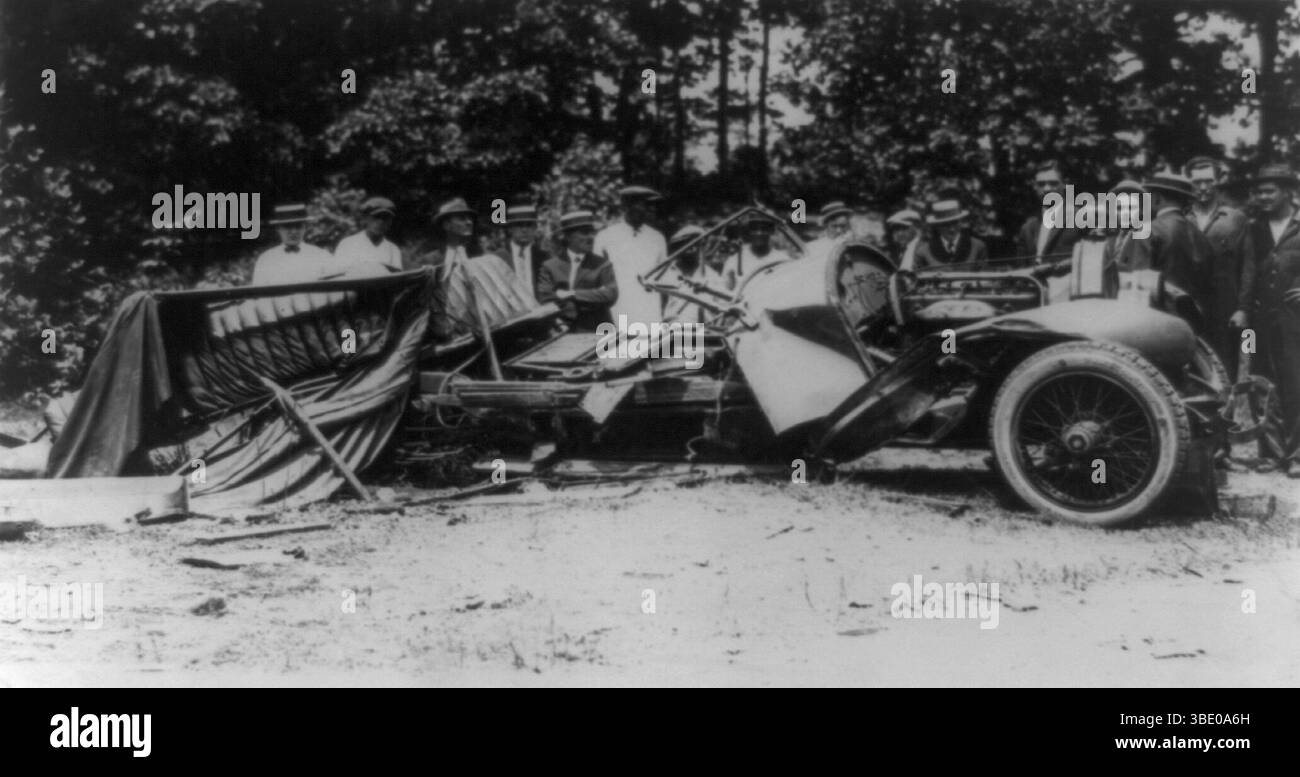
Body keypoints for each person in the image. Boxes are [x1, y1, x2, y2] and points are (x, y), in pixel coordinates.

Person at [1247, 164, 1300, 477]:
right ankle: (1269, 454)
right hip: (1257, 323)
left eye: (1270, 191)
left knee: (1296, 383)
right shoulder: (1254, 228)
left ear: (1287, 192)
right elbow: (1246, 271)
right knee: (1259, 384)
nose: (1263, 197)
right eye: (1259, 192)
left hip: (1295, 321)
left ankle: (1295, 456)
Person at [424, 197, 535, 338]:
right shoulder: (433, 261)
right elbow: (429, 305)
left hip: (488, 332)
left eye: (470, 218)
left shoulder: (481, 257)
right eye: (461, 218)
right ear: (446, 225)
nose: (469, 222)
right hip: (452, 334)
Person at [1184, 156, 1255, 372]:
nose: (1203, 187)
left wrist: (1243, 309)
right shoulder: (1182, 219)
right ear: (1189, 183)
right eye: (1197, 182)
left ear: (1218, 181)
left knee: (1226, 365)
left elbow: (1248, 267)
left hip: (1225, 307)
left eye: (1208, 181)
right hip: (1188, 305)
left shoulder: (1235, 219)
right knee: (1189, 364)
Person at [1142, 172, 1215, 336]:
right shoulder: (1200, 235)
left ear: (1156, 198)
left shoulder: (1150, 230)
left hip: (1157, 320)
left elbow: (1138, 281)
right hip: (1194, 319)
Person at [593, 185, 667, 325]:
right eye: (643, 205)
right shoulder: (605, 237)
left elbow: (663, 278)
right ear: (627, 206)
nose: (648, 209)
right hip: (618, 310)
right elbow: (597, 279)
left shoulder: (657, 238)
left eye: (650, 205)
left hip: (649, 310)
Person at [537, 210, 618, 332]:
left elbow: (610, 295)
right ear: (568, 236)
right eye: (584, 233)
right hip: (562, 331)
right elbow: (546, 298)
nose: (591, 237)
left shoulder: (602, 264)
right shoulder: (550, 266)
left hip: (598, 331)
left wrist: (572, 294)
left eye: (592, 232)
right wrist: (592, 296)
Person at [1016, 160, 1085, 265]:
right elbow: (1020, 272)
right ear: (1034, 186)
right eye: (1041, 184)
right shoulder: (1027, 229)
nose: (1047, 189)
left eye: (1053, 183)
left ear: (1065, 184)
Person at [250, 203, 334, 286]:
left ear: (305, 227)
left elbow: (333, 290)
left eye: (298, 226)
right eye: (288, 227)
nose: (293, 232)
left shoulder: (322, 256)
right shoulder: (266, 260)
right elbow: (258, 295)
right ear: (278, 229)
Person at [330, 196, 403, 278]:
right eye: (376, 217)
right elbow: (336, 277)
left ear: (391, 222)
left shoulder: (393, 250)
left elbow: (397, 281)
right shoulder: (348, 245)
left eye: (385, 218)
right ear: (366, 218)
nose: (380, 222)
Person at [663, 224, 723, 324]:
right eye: (686, 245)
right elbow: (659, 305)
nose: (692, 249)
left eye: (696, 244)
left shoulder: (713, 277)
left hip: (705, 335)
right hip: (673, 333)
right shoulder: (667, 274)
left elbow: (723, 309)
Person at [912, 199, 989, 269]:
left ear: (961, 222)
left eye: (955, 223)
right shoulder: (923, 252)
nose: (952, 229)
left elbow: (984, 278)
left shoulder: (977, 247)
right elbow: (917, 280)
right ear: (937, 226)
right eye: (946, 224)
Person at [722, 213, 791, 288]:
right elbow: (726, 290)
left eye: (764, 229)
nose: (759, 233)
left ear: (770, 232)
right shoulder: (734, 261)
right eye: (755, 229)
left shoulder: (782, 259)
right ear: (749, 232)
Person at [501, 203, 549, 300]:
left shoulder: (544, 257)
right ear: (510, 229)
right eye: (519, 225)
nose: (524, 230)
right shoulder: (499, 257)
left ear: (535, 228)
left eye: (529, 225)